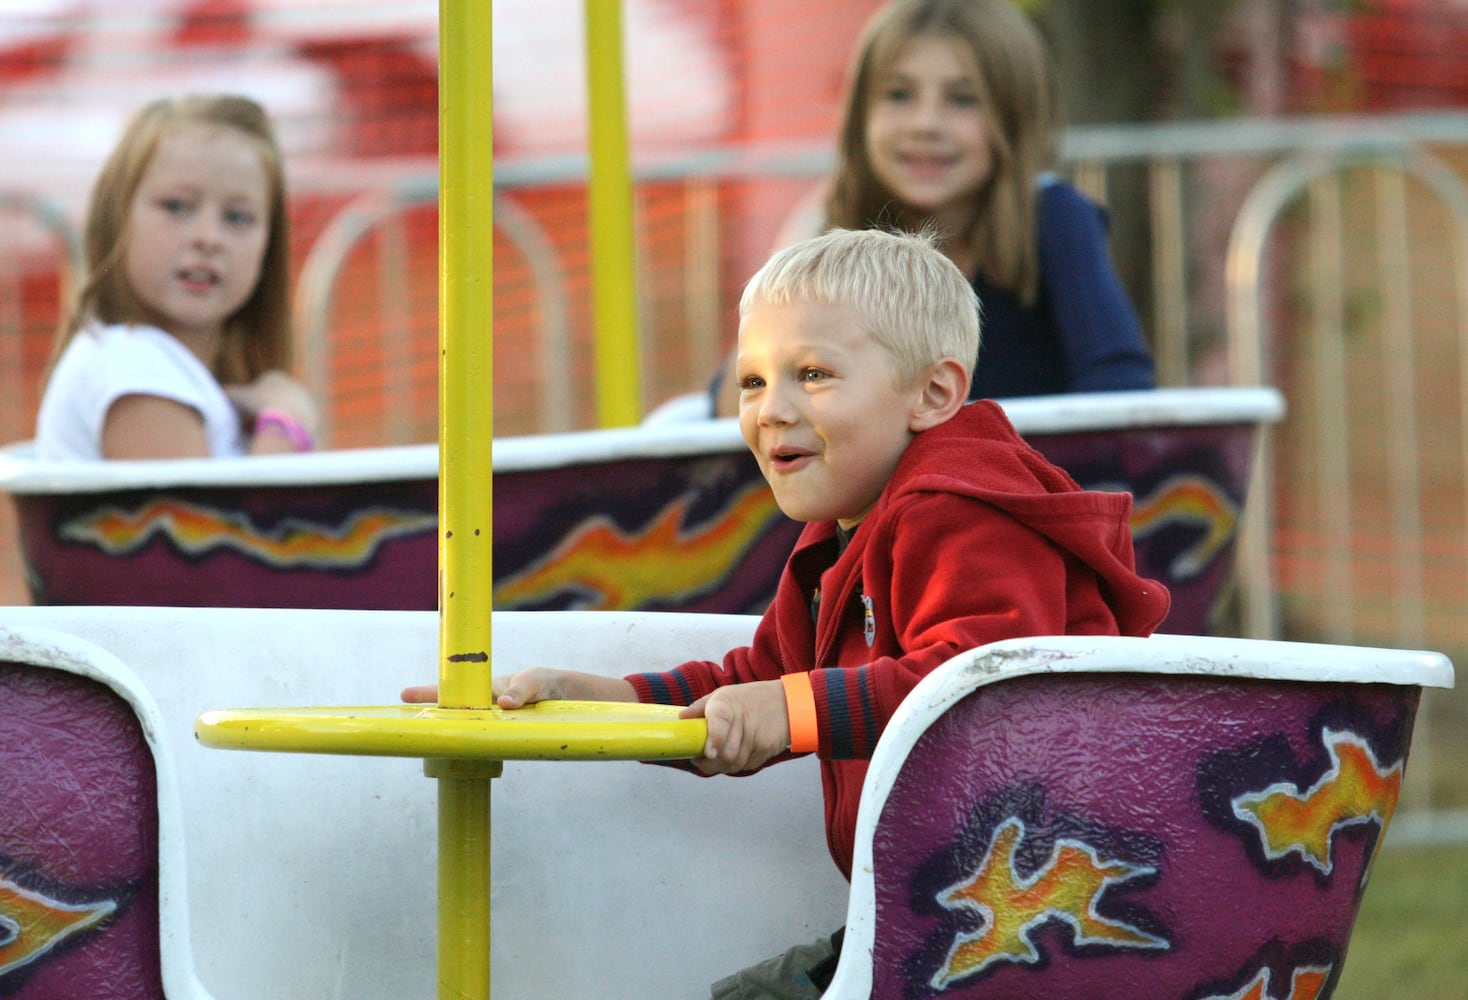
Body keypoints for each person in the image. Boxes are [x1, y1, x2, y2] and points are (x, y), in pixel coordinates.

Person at [405, 227, 1170, 998]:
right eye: (751, 382)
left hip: (1046, 919)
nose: (772, 410)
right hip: (943, 914)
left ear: (933, 394)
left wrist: (786, 708)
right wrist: (593, 702)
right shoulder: (837, 539)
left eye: (812, 374)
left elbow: (980, 684)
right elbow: (760, 679)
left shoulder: (966, 511)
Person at [710, 0, 1154, 418]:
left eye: (963, 100)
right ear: (860, 114)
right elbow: (732, 406)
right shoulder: (831, 230)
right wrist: (799, 255)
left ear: (1014, 116)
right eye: (899, 95)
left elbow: (1120, 388)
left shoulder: (1057, 219)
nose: (925, 123)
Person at [35, 94, 317, 461]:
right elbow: (212, 520)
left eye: (237, 217)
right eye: (177, 206)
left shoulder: (157, 366)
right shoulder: (135, 371)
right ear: (116, 217)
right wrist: (285, 428)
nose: (208, 238)